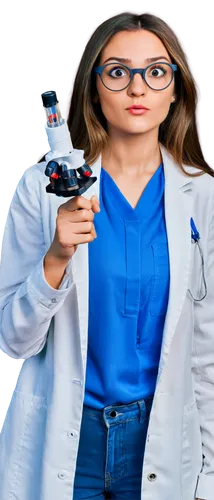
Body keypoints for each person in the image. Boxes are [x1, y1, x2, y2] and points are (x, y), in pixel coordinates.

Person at [0, 8, 213, 500]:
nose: (138, 89)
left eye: (155, 72)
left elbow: (208, 351)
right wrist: (56, 257)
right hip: (70, 440)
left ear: (177, 87)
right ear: (96, 86)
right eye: (118, 72)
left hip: (159, 441)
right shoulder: (43, 189)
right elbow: (14, 341)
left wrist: (209, 474)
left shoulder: (202, 196)